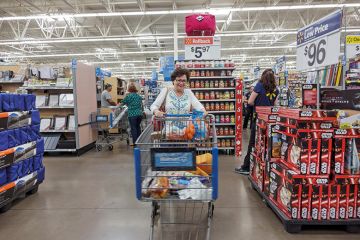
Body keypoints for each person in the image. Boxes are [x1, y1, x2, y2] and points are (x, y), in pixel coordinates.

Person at [235, 69, 279, 175]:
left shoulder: (259, 86)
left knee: (253, 143)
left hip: (259, 119)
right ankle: (266, 169)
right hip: (270, 120)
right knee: (268, 144)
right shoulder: (276, 89)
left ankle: (246, 167)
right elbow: (276, 105)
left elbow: (250, 101)